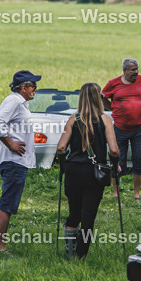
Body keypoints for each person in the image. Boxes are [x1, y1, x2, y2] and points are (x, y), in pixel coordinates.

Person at [56, 83, 120, 258]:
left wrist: (63, 164)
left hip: (73, 171)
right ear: (98, 97)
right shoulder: (105, 119)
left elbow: (61, 147)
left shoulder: (73, 119)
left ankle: (69, 251)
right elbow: (114, 150)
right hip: (94, 173)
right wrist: (116, 164)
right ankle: (81, 254)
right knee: (88, 215)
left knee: (74, 213)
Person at [0, 70, 39, 254]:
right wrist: (10, 144)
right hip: (13, 161)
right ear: (24, 87)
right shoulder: (14, 101)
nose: (36, 89)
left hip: (18, 161)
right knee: (7, 204)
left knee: (9, 203)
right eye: (33, 86)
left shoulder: (21, 103)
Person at [101, 58, 141, 202]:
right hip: (120, 128)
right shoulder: (113, 83)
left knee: (139, 160)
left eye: (137, 69)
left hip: (140, 128)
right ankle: (116, 193)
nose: (136, 72)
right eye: (133, 69)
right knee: (117, 160)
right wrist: (112, 107)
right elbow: (102, 96)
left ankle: (136, 194)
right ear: (125, 70)